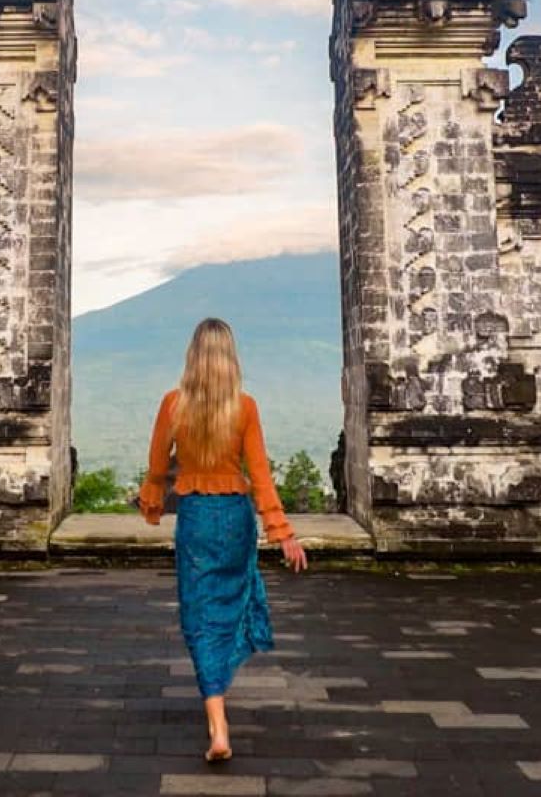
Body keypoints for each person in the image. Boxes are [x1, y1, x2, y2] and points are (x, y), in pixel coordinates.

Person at [139, 317, 310, 763]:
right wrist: (283, 533)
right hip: (236, 520)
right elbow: (261, 477)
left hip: (195, 519)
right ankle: (220, 699)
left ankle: (218, 725)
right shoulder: (245, 406)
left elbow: (158, 467)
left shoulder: (173, 404)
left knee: (198, 613)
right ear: (230, 356)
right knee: (232, 599)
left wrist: (153, 503)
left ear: (193, 355)